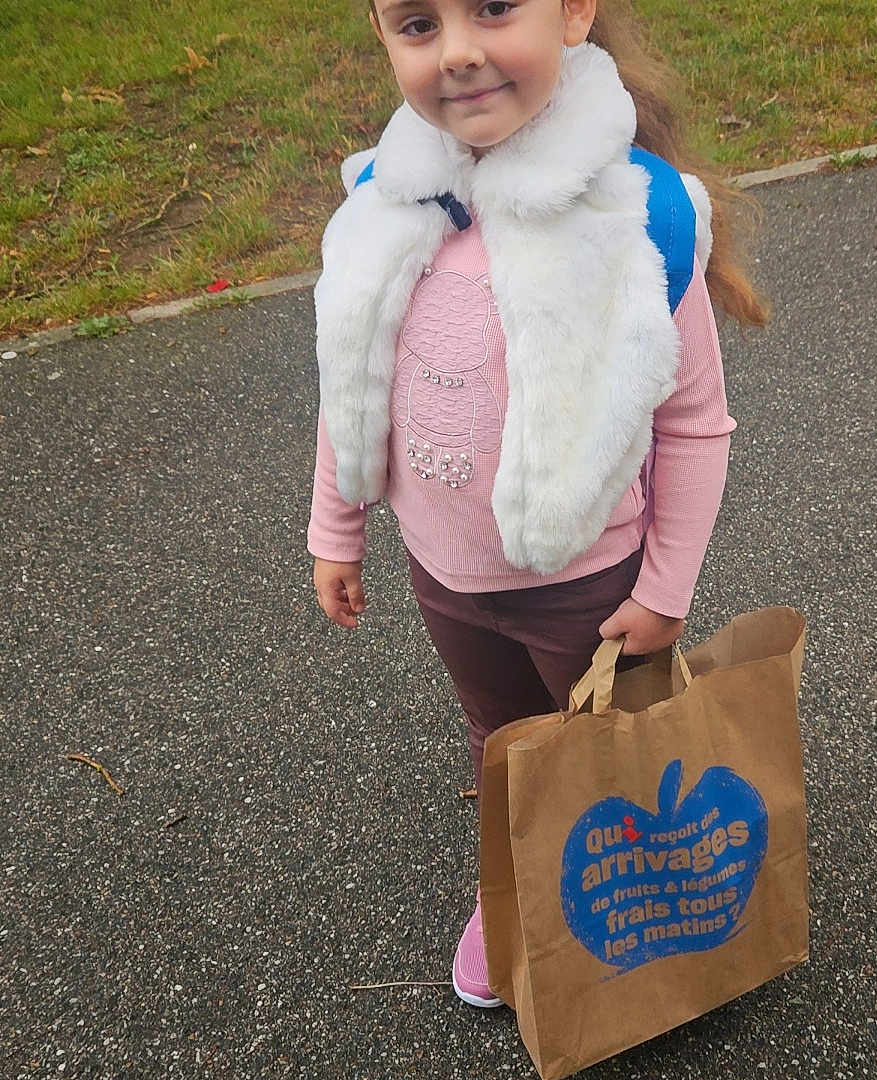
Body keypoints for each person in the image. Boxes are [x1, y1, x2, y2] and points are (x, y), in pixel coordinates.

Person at [308, 0, 767, 1008]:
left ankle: (654, 911)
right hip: (447, 582)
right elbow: (352, 378)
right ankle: (520, 891)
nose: (459, 49)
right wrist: (335, 528)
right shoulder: (387, 212)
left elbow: (694, 423)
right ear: (382, 37)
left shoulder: (635, 220)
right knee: (506, 744)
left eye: (493, 8)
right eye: (417, 23)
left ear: (572, 12)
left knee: (621, 757)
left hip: (593, 591)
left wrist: (669, 585)